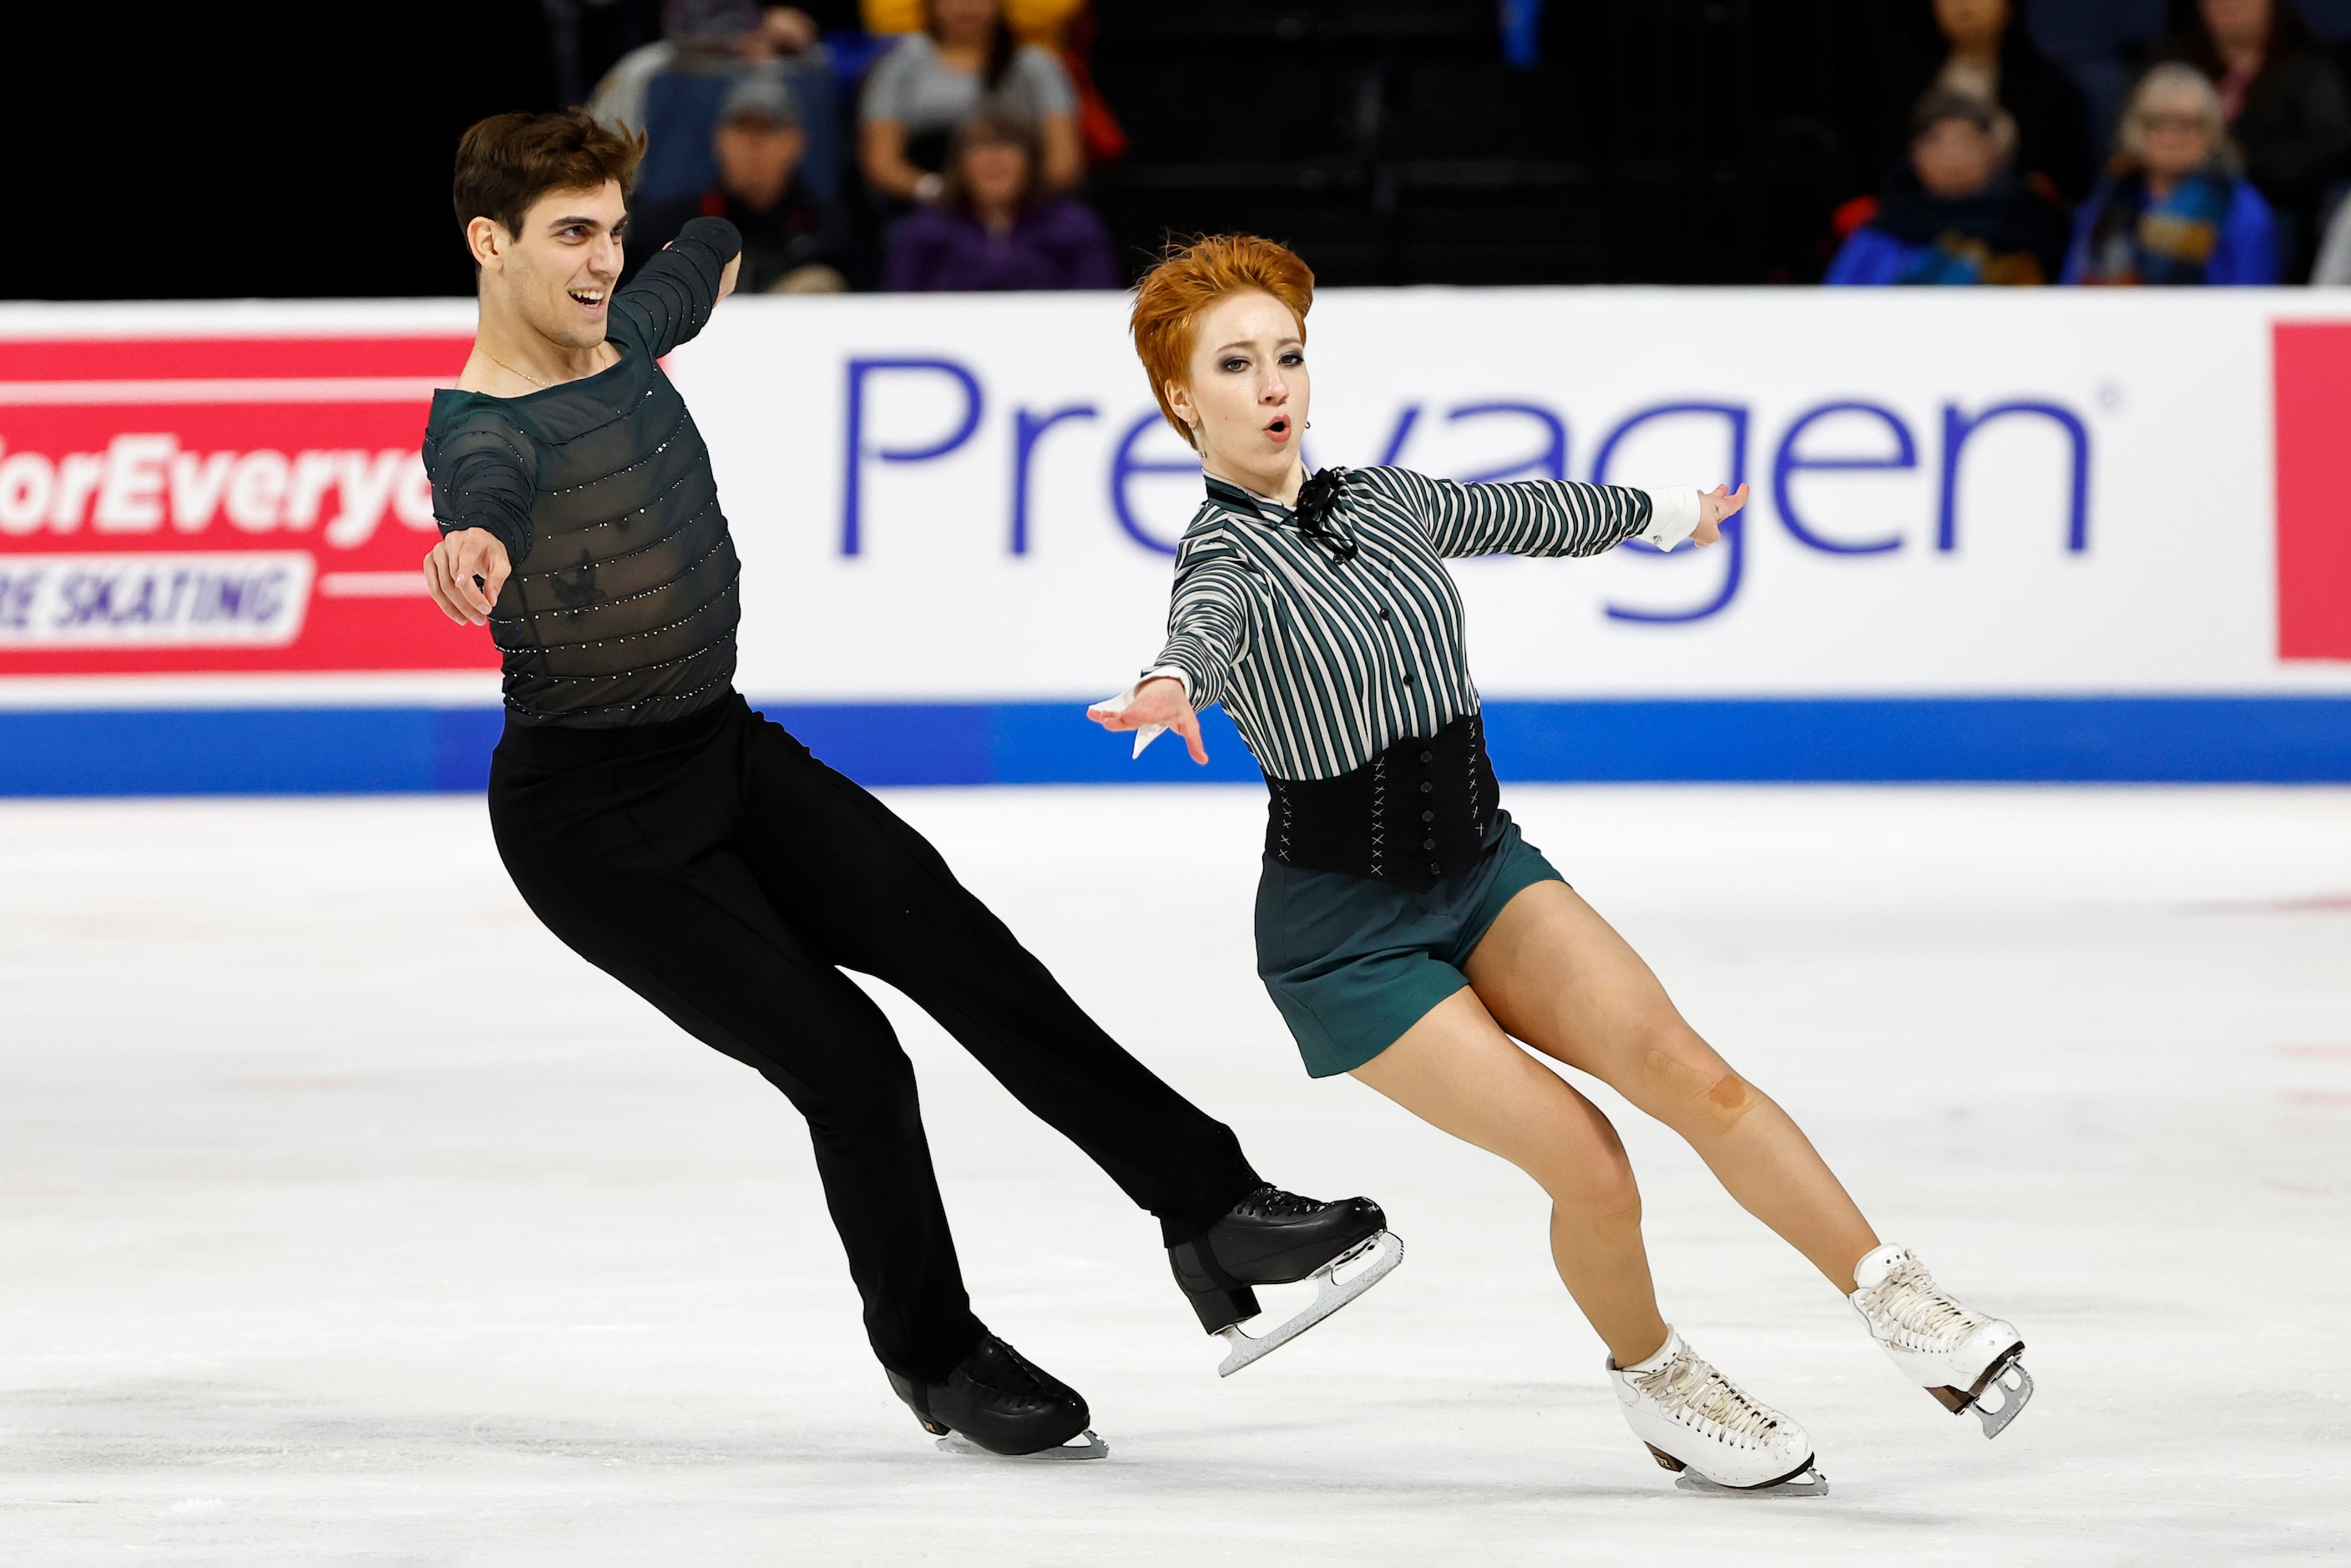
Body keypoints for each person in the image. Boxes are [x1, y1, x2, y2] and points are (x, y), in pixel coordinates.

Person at [417, 111, 1400, 1461]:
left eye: (610, 230)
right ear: (490, 245)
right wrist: (470, 542)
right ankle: (933, 1353)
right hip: (594, 831)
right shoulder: (483, 432)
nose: (600, 260)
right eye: (570, 235)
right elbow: (478, 494)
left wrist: (706, 241)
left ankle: (1209, 1202)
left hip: (722, 751)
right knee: (851, 1062)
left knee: (963, 948)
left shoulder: (626, 327)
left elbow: (699, 255)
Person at [1088, 235, 2036, 1495]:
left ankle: (1898, 1297)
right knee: (1588, 1156)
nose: (1274, 385)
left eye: (1290, 356)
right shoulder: (1222, 564)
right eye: (1238, 363)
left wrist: (1664, 514)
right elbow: (1196, 635)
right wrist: (1168, 685)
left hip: (1481, 863)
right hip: (1346, 937)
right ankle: (1660, 1384)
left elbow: (1529, 511)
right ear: (1180, 400)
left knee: (1694, 1075)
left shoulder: (1388, 498)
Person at [2149, 0, 2351, 279]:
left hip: (2272, 204)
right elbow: (2134, 139)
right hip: (2173, 199)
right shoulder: (2172, 64)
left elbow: (2329, 145)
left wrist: (2239, 161)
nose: (2229, 5)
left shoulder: (2305, 67)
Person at [628, 73, 859, 293]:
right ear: (719, 139)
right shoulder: (672, 226)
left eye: (769, 128)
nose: (754, 144)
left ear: (797, 142)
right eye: (742, 127)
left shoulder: (828, 230)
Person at [1827, 89, 2070, 285]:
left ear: (1995, 150)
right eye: (1936, 143)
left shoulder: (2035, 226)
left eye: (1966, 141)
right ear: (1915, 155)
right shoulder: (1879, 233)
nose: (1952, 158)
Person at [2065, 63, 2279, 285]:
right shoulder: (2108, 199)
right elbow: (2071, 288)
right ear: (2136, 128)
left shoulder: (2241, 206)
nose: (2172, 136)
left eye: (2188, 124)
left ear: (2211, 132)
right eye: (2158, 123)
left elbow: (2253, 297)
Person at [859, 0, 1083, 207]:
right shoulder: (898, 66)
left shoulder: (1036, 65)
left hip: (1027, 208)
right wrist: (942, 193)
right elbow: (881, 164)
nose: (966, 6)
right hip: (930, 207)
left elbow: (1064, 162)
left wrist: (1013, 200)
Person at [881, 110, 1118, 291]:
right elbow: (897, 310)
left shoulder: (1073, 225)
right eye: (980, 147)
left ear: (1032, 162)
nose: (994, 160)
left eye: (1008, 146)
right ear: (959, 165)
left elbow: (1097, 304)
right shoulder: (924, 230)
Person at [1886, 0, 2094, 201]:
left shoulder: (2050, 87)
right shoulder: (1907, 82)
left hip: (2013, 223)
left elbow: (2069, 186)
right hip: (1921, 219)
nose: (1963, 4)